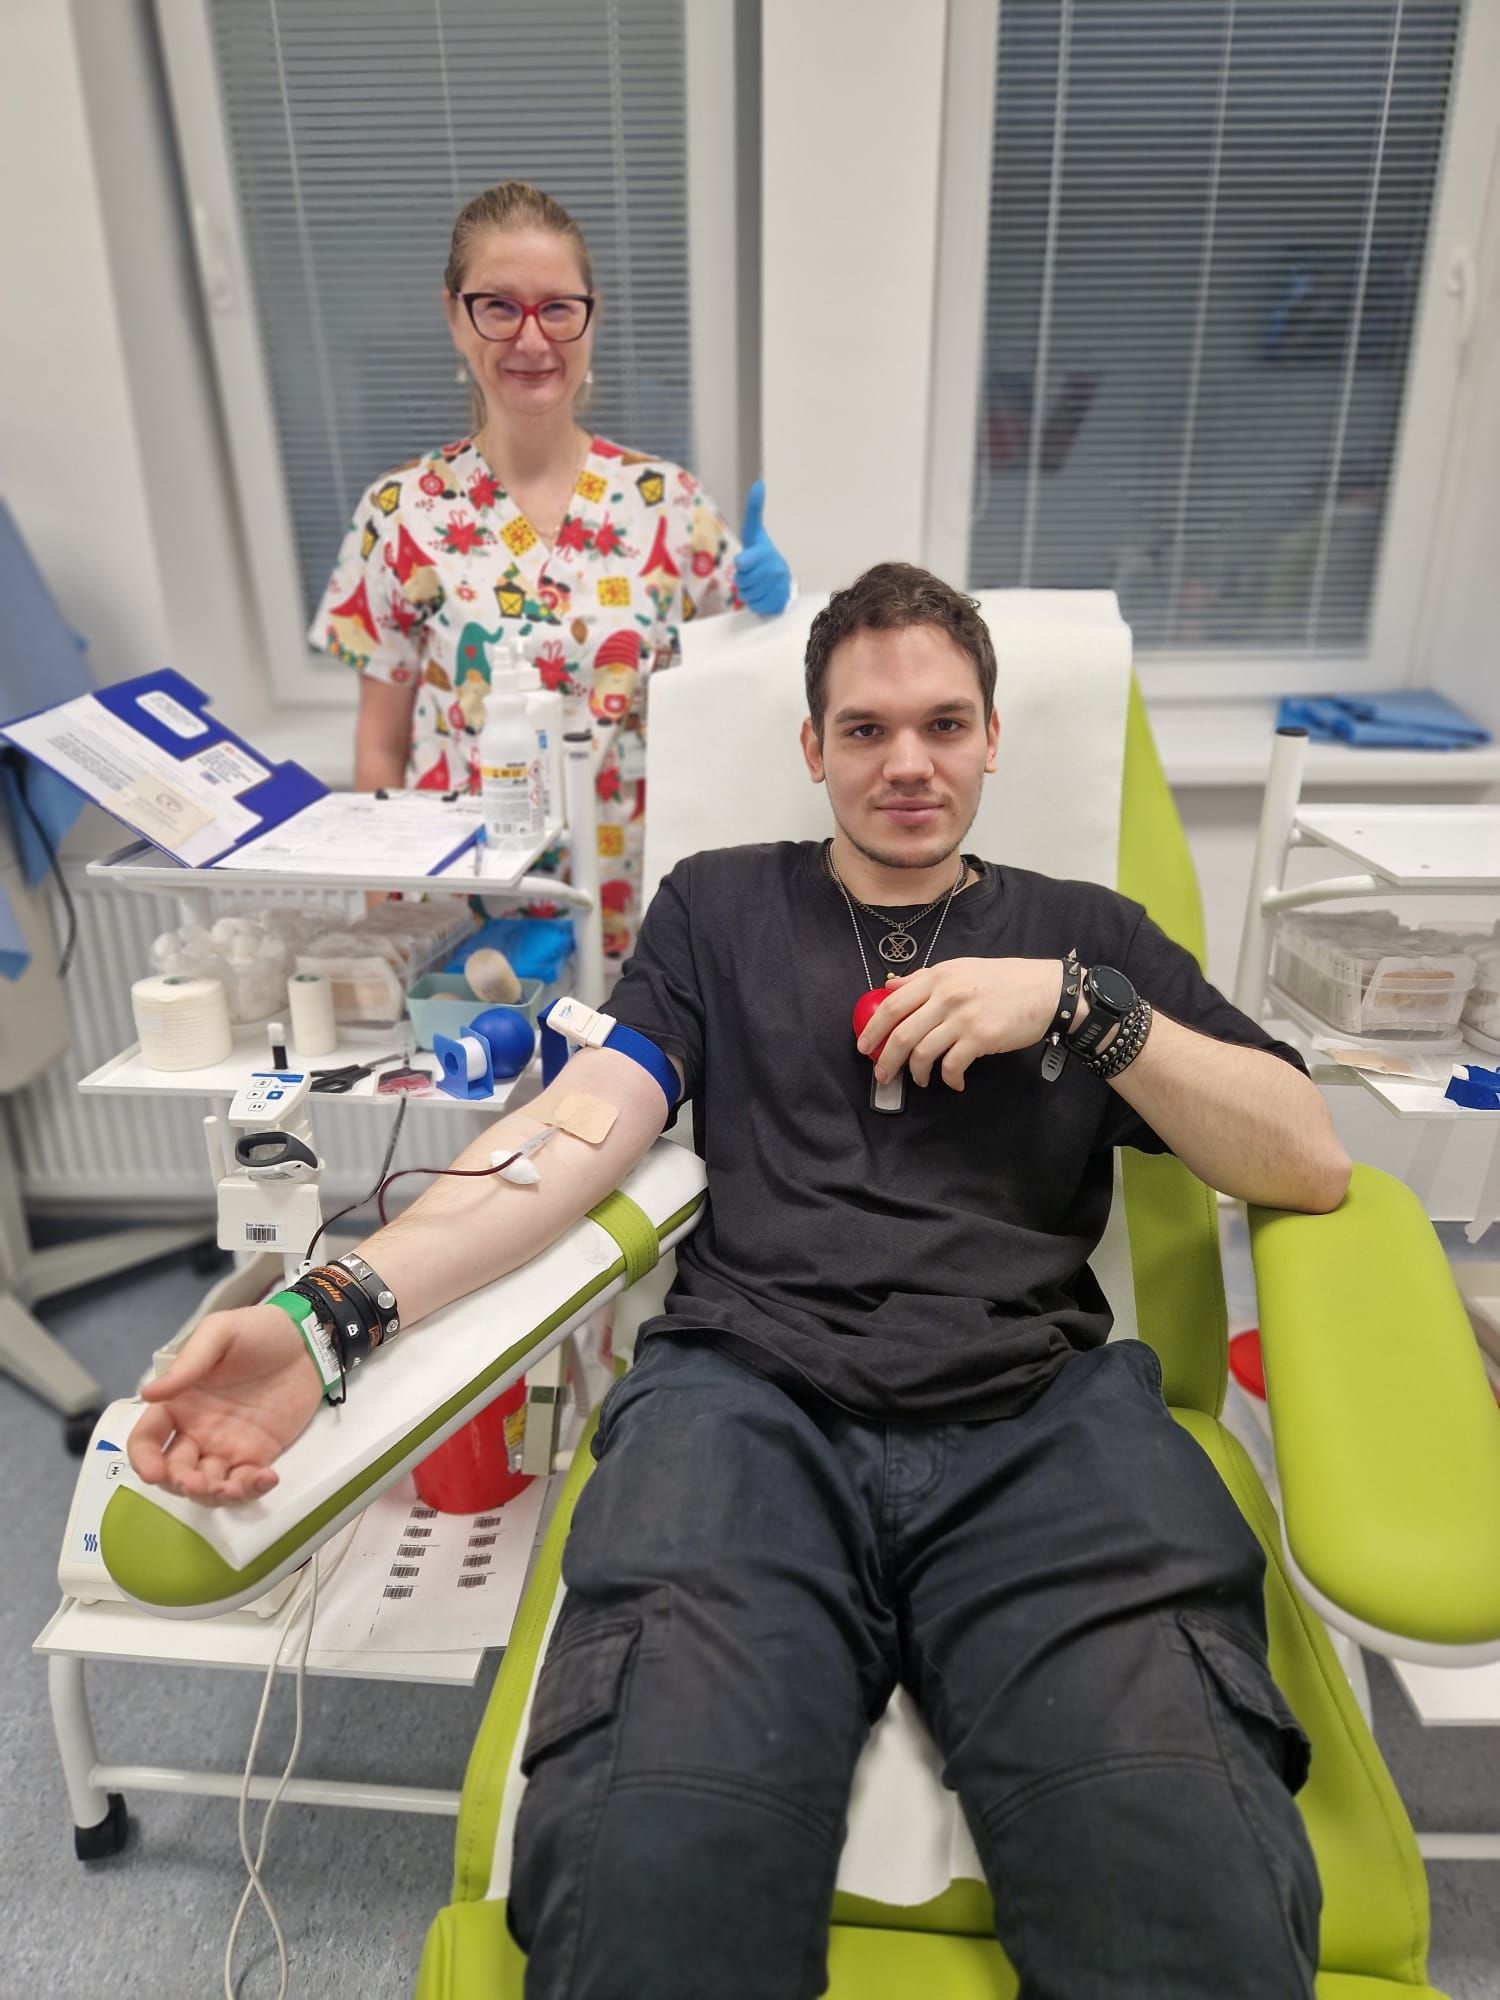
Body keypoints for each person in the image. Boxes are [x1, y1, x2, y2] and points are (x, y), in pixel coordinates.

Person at [131, 563, 1346, 1997]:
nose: (908, 762)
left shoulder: (1092, 934)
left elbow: (1305, 1157)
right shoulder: (717, 909)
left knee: (1189, 1894)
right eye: (867, 729)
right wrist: (332, 1310)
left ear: (993, 738)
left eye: (945, 725)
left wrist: (1082, 1007)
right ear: (814, 747)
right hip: (746, 1411)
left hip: (1043, 1420)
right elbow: (582, 1125)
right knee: (655, 1884)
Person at [310, 179, 791, 959]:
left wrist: (772, 613)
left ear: (590, 315)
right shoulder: (399, 515)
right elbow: (381, 747)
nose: (532, 340)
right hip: (461, 910)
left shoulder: (667, 505)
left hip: (640, 904)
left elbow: (746, 697)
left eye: (558, 308)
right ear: (454, 315)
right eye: (498, 307)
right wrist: (389, 931)